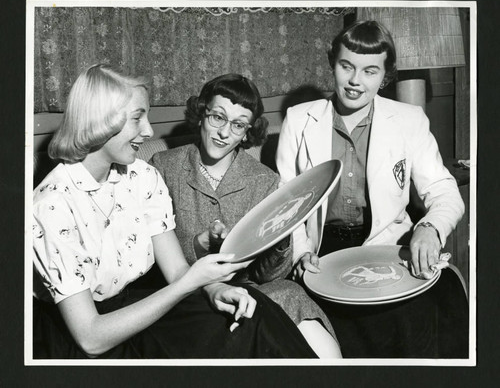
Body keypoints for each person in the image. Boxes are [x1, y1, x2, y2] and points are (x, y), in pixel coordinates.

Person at [32, 64, 319, 359]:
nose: (149, 130)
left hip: (137, 305)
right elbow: (91, 339)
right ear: (99, 121)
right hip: (81, 337)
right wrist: (192, 282)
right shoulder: (52, 205)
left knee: (257, 314)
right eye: (137, 118)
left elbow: (178, 271)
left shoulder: (141, 176)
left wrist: (215, 290)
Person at [275, 20, 468, 358]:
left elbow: (443, 190)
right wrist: (301, 251)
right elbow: (285, 202)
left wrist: (430, 227)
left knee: (434, 313)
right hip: (323, 253)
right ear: (332, 63)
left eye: (369, 71)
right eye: (346, 66)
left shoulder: (410, 120)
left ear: (385, 75)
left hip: (388, 248)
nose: (355, 81)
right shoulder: (298, 119)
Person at [150, 73, 342, 358]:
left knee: (288, 293)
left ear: (247, 131)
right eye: (218, 117)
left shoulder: (265, 180)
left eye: (238, 124)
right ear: (202, 114)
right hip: (183, 295)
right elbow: (152, 255)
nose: (225, 133)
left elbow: (270, 275)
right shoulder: (164, 167)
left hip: (248, 291)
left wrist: (280, 233)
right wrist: (199, 244)